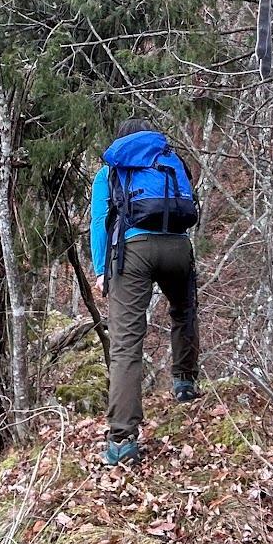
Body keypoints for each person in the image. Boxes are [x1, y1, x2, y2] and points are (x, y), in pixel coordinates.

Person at [89, 118, 201, 466]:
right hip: (179, 247)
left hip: (134, 250)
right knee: (184, 312)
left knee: (125, 342)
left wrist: (100, 269)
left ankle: (122, 439)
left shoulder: (113, 166)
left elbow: (98, 221)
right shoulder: (172, 160)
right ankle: (184, 382)